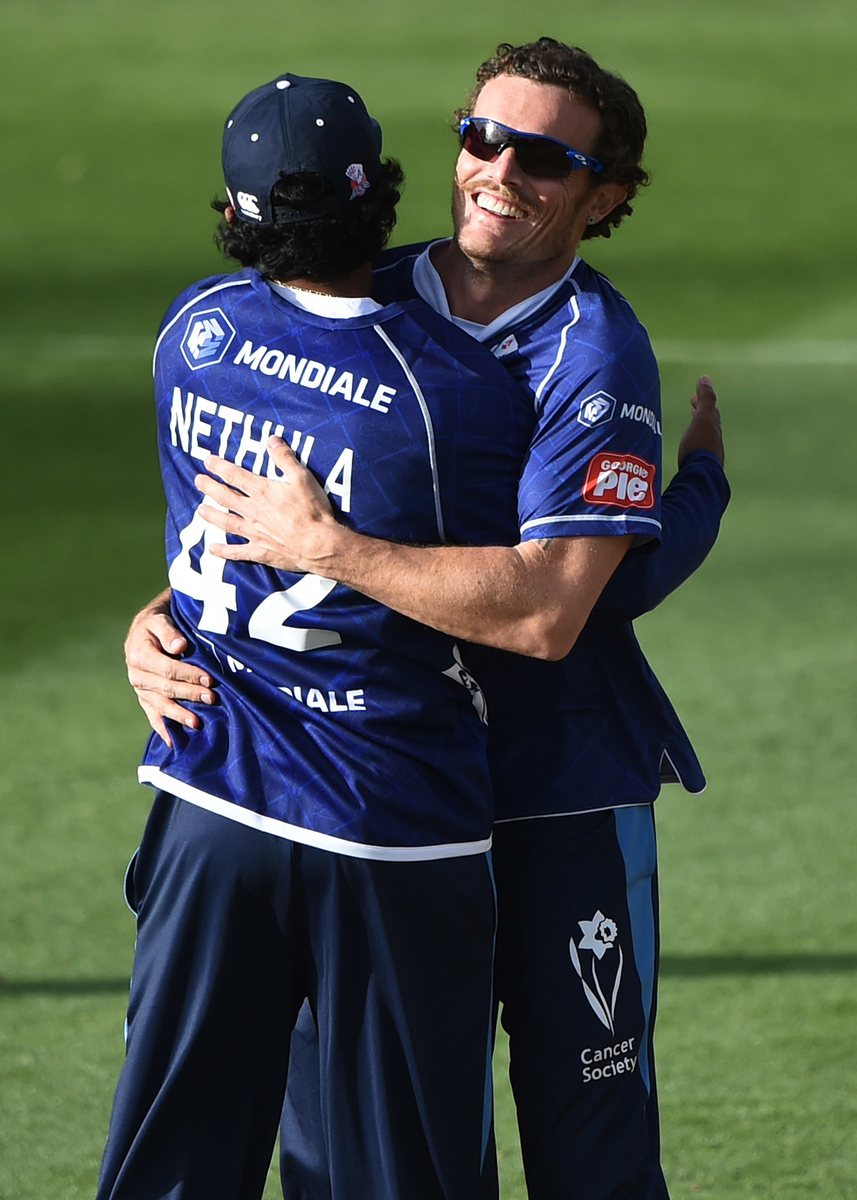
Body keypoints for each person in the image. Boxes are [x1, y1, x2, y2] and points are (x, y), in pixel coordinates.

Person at [124, 40, 729, 1200]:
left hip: (554, 796)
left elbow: (560, 609)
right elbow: (257, 501)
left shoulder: (595, 360)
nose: (498, 171)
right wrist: (161, 619)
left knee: (590, 1152)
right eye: (480, 138)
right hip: (364, 806)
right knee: (357, 1160)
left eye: (542, 158)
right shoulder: (367, 285)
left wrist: (335, 551)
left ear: (603, 199)